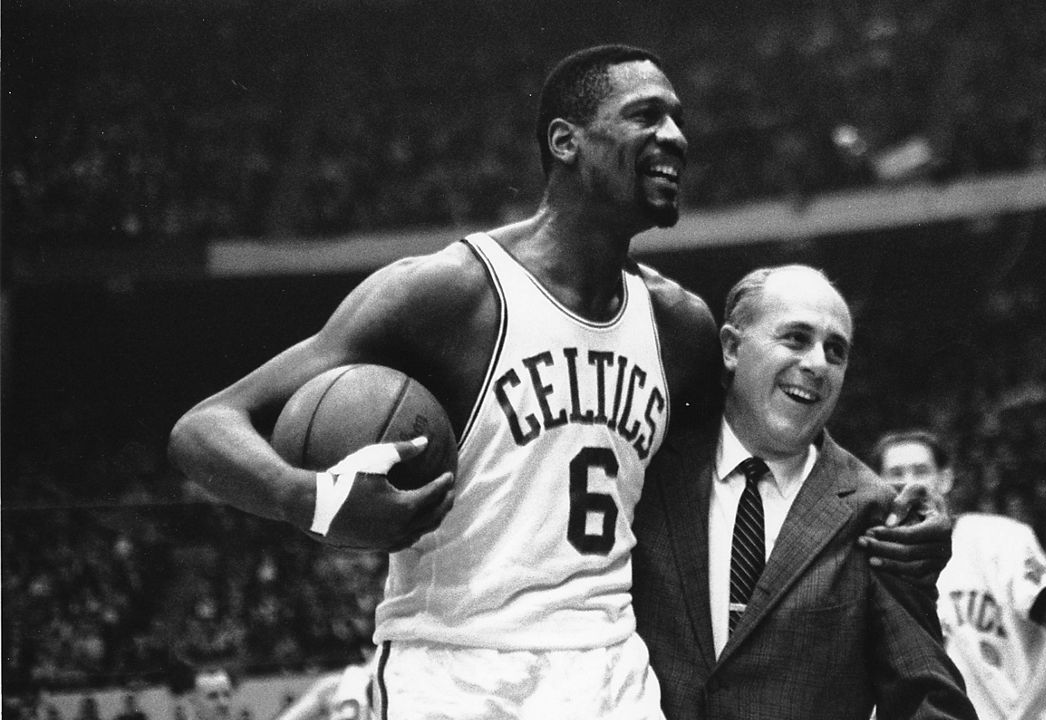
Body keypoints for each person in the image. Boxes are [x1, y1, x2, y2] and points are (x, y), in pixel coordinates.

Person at [170, 44, 945, 719]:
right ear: (566, 141)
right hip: (454, 666)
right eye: (646, 116)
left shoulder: (677, 324)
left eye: (677, 118)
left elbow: (772, 431)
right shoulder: (450, 294)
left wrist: (894, 513)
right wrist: (313, 501)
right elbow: (207, 426)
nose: (676, 136)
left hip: (608, 670)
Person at [632, 265, 976, 720]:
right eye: (795, 338)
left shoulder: (874, 513)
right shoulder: (649, 469)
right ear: (732, 348)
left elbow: (925, 697)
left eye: (836, 351)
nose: (817, 363)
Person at [872, 429, 1046, 720]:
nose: (908, 483)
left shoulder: (997, 540)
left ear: (945, 479)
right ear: (876, 485)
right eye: (895, 473)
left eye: (921, 471)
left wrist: (1022, 716)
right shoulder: (869, 563)